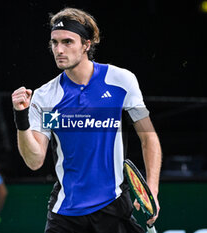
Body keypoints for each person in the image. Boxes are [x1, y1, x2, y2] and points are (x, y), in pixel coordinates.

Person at [11, 8, 162, 233]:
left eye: (67, 42)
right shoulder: (46, 97)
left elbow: (148, 137)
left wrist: (152, 189)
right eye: (54, 43)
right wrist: (21, 119)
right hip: (65, 215)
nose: (59, 50)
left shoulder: (120, 81)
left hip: (113, 208)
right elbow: (34, 161)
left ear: (86, 45)